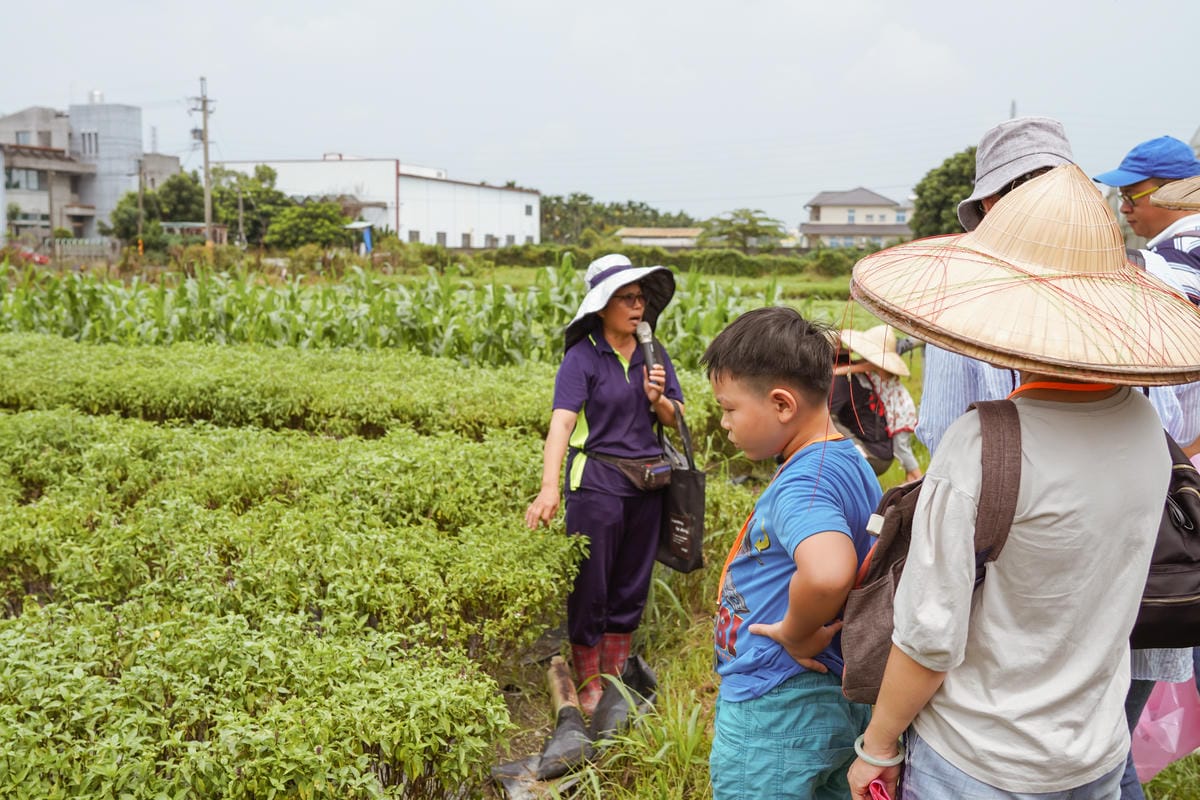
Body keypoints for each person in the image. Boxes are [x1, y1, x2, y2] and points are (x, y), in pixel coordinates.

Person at [845, 164, 1200, 798]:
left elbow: (929, 637)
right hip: (1094, 752)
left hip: (979, 760)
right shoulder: (1146, 426)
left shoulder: (985, 443)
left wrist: (877, 745)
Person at [703, 307, 882, 800]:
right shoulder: (845, 458)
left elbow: (828, 573)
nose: (724, 423)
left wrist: (796, 632)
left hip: (777, 704)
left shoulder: (803, 483)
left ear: (782, 404)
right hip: (827, 694)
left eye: (729, 408)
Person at [523, 253, 682, 715]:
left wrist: (658, 399)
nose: (638, 306)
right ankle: (589, 681)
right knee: (592, 583)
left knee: (632, 581)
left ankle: (613, 675)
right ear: (602, 306)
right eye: (627, 298)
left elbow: (676, 417)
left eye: (641, 298)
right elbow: (562, 423)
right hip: (596, 485)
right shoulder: (583, 356)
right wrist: (549, 487)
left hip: (647, 484)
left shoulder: (654, 352)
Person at [916, 116, 1072, 454]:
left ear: (988, 203)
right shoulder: (1134, 279)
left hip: (1004, 482)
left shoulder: (960, 293)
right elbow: (1170, 422)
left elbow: (943, 435)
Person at [1095, 135, 1200, 302]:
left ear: (1171, 190)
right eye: (1122, 198)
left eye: (1131, 196)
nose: (1124, 208)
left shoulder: (1174, 257)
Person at [837, 325, 923, 482]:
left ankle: (918, 476)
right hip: (893, 408)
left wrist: (834, 371)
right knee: (900, 448)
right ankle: (911, 479)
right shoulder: (872, 362)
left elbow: (854, 367)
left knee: (901, 448)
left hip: (900, 412)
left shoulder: (877, 365)